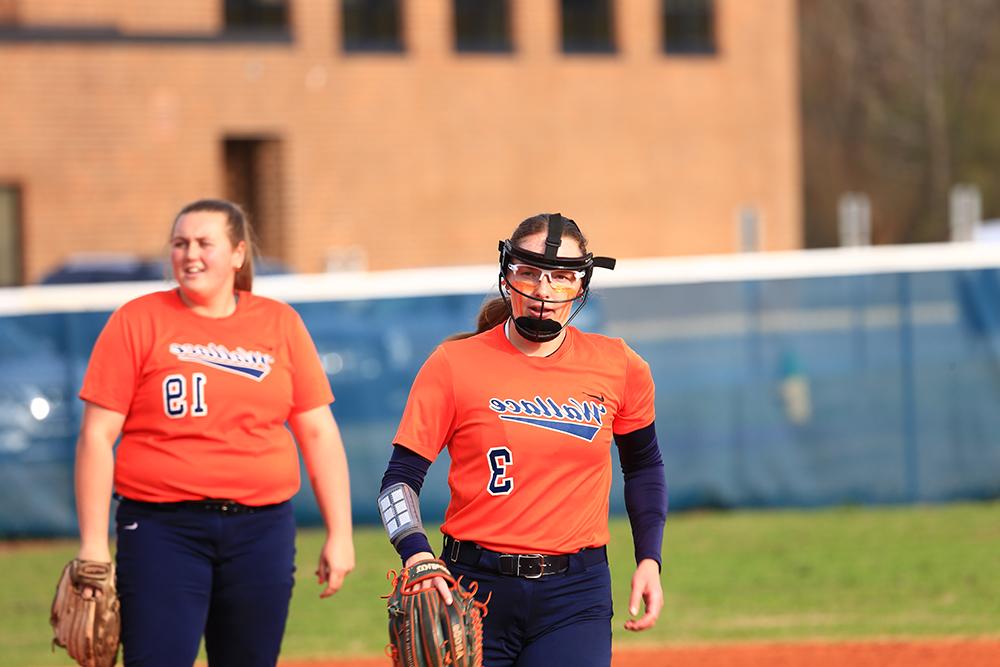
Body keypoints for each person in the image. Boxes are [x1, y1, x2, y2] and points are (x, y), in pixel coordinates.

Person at [74, 198, 354, 666]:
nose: (190, 254)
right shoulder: (137, 320)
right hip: (162, 527)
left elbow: (318, 432)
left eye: (205, 242)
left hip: (260, 529)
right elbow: (97, 437)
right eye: (180, 243)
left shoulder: (278, 322)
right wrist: (92, 544)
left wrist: (340, 532)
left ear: (238, 254)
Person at [378, 213, 667, 666]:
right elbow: (399, 480)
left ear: (582, 284)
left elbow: (644, 466)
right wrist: (415, 553)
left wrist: (649, 558)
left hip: (576, 594)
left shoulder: (619, 365)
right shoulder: (454, 364)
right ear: (507, 274)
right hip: (471, 588)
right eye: (529, 272)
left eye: (561, 277)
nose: (543, 291)